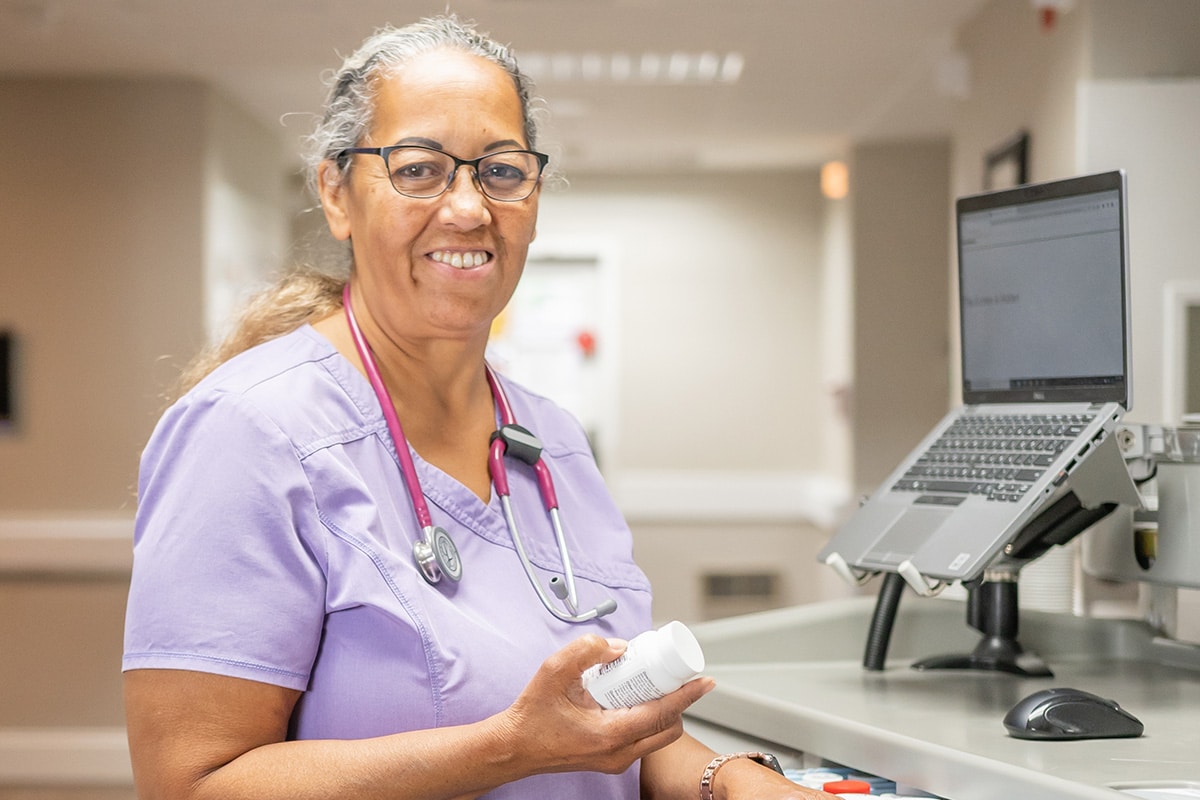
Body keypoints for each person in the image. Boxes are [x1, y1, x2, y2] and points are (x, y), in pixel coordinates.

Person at [123, 15, 834, 800]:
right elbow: (192, 784)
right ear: (336, 193)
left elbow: (614, 724)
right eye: (419, 169)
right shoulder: (246, 431)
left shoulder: (550, 441)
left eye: (501, 171)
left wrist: (727, 780)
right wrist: (505, 750)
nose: (467, 209)